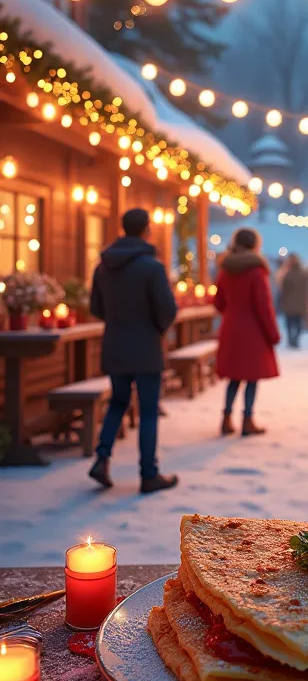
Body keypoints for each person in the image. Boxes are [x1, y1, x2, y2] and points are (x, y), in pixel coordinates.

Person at [88, 208, 178, 493]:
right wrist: (157, 329)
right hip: (146, 347)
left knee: (118, 401)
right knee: (148, 410)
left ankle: (101, 459)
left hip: (115, 344)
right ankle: (149, 474)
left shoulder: (103, 266)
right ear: (146, 229)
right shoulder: (152, 267)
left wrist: (118, 322)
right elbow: (167, 309)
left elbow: (95, 308)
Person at [214, 228, 280, 436]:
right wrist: (273, 333)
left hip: (231, 327)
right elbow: (263, 305)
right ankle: (247, 419)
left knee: (234, 377)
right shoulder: (256, 271)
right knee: (251, 377)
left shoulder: (226, 270)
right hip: (253, 331)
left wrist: (232, 313)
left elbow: (218, 302)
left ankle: (226, 418)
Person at [277, 253, 308, 349]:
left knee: (290, 324)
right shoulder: (304, 274)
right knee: (298, 324)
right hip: (299, 303)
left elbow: (282, 288)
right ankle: (294, 340)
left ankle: (292, 340)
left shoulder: (286, 274)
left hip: (289, 303)